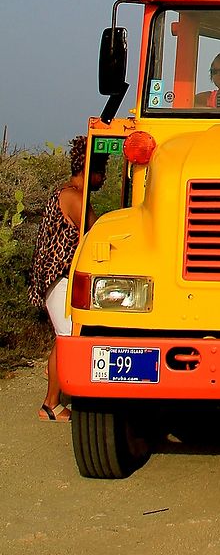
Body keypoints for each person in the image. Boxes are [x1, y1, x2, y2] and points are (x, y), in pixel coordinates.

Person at [27, 136, 107, 421]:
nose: (104, 179)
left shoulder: (66, 193)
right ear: (91, 170)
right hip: (59, 279)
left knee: (64, 338)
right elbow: (97, 232)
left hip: (56, 279)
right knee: (68, 339)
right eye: (102, 171)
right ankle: (51, 404)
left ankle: (55, 382)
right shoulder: (75, 198)